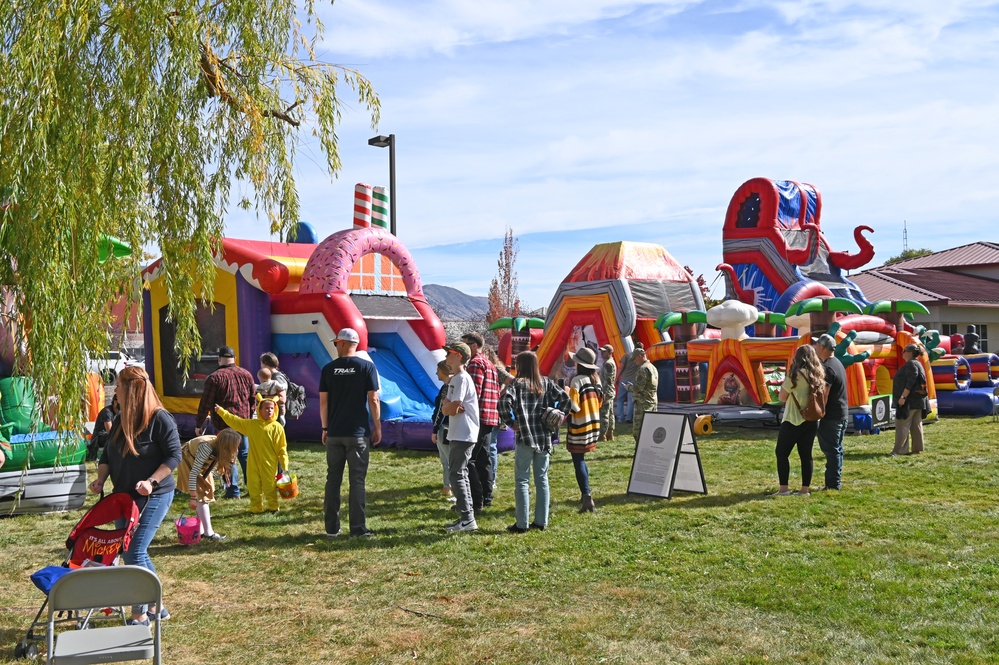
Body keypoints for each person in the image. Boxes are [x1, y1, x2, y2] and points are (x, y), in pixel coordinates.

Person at [89, 365, 181, 626]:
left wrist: (152, 481)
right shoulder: (119, 419)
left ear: (132, 389)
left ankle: (139, 614)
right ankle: (157, 604)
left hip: (154, 495)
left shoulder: (160, 418)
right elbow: (107, 454)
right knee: (132, 552)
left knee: (133, 551)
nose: (115, 390)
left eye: (118, 385)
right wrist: (101, 478)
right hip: (123, 497)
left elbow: (175, 455)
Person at [320, 328, 381, 537]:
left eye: (337, 342)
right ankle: (357, 529)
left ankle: (331, 529)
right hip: (357, 434)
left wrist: (325, 428)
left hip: (335, 433)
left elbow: (323, 402)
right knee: (357, 481)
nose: (335, 345)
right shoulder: (367, 367)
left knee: (333, 480)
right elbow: (373, 399)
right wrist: (377, 426)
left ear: (344, 343)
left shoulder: (328, 369)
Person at [499, 351, 569, 532]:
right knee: (542, 479)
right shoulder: (545, 382)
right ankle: (541, 522)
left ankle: (521, 524)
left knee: (522, 480)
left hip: (525, 437)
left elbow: (503, 402)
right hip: (544, 437)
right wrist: (555, 415)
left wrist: (511, 422)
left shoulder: (517, 384)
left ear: (520, 365)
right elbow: (566, 400)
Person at [195, 346, 255, 498]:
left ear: (219, 359)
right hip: (243, 422)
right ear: (235, 359)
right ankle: (253, 486)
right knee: (245, 455)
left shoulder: (214, 377)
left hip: (224, 425)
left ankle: (233, 490)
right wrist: (249, 415)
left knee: (227, 457)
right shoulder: (246, 374)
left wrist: (199, 423)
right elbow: (252, 399)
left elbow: (205, 403)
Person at [215, 395, 289, 514]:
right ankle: (256, 508)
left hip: (269, 463)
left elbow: (282, 448)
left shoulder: (277, 428)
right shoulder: (252, 425)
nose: (269, 410)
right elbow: (235, 421)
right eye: (266, 408)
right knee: (253, 486)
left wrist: (284, 466)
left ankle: (273, 507)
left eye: (271, 408)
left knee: (269, 486)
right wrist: (221, 412)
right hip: (253, 462)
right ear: (259, 410)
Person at [441, 341, 480, 533]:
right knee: (458, 474)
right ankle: (466, 517)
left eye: (448, 353)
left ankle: (468, 518)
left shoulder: (460, 379)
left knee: (456, 474)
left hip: (464, 433)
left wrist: (448, 408)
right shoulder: (456, 378)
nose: (446, 357)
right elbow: (447, 405)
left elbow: (452, 407)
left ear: (458, 356)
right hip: (460, 432)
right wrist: (448, 407)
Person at [775, 345, 824, 496]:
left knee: (781, 453)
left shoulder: (794, 376)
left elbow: (781, 397)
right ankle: (804, 490)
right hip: (811, 419)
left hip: (792, 419)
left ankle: (784, 489)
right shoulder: (817, 376)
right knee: (806, 455)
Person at [175, 428, 242, 540]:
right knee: (202, 497)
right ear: (226, 445)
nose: (236, 448)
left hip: (201, 462)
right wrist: (192, 497)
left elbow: (214, 467)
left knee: (206, 493)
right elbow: (193, 474)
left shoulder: (220, 448)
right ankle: (208, 533)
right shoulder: (206, 448)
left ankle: (200, 530)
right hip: (187, 459)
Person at [461, 332, 499, 511]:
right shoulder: (489, 363)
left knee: (472, 459)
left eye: (466, 344)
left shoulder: (475, 364)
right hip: (490, 415)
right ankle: (487, 496)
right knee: (484, 459)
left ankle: (477, 499)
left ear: (474, 346)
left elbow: (473, 393)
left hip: (478, 417)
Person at [566, 347, 603, 513]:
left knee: (578, 460)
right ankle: (585, 493)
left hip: (580, 425)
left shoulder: (577, 381)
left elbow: (573, 407)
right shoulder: (595, 380)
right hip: (593, 424)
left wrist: (565, 396)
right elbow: (600, 402)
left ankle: (587, 496)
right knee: (581, 459)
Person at [812, 334, 849, 490]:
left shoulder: (827, 368)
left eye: (816, 345)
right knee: (837, 449)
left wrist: (819, 413)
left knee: (832, 450)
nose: (814, 348)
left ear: (821, 347)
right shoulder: (838, 363)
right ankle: (835, 482)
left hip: (832, 416)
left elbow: (824, 395)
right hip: (842, 413)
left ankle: (833, 484)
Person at [484, 345, 513, 486]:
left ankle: (492, 478)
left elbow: (511, 380)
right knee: (489, 445)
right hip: (491, 409)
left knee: (491, 445)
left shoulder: (495, 368)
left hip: (495, 410)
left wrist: (500, 394)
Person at [892, 344, 928, 456]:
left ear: (910, 353)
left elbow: (911, 381)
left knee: (902, 424)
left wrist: (903, 397)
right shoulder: (918, 363)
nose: (902, 353)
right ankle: (917, 448)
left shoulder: (911, 364)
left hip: (909, 401)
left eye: (904, 351)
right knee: (916, 425)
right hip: (918, 401)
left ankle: (899, 450)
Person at [430, 359, 454, 501]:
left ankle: (450, 486)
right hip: (446, 426)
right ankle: (447, 486)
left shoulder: (447, 388)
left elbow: (440, 410)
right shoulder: (447, 386)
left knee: (448, 459)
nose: (436, 373)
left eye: (438, 371)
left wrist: (435, 428)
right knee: (446, 459)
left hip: (444, 427)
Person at [628, 347, 659, 442]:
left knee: (639, 431)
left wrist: (629, 387)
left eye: (634, 358)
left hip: (643, 404)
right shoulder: (652, 367)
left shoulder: (642, 369)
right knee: (651, 428)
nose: (634, 361)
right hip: (652, 402)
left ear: (640, 356)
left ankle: (641, 451)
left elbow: (638, 388)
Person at [616, 342, 644, 423]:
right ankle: (629, 418)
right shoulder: (640, 358)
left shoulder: (627, 356)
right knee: (631, 400)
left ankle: (620, 418)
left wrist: (617, 377)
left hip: (624, 379)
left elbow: (621, 367)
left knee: (620, 399)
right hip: (634, 381)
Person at [259, 352, 290, 423]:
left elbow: (282, 399)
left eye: (261, 363)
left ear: (265, 363)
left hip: (277, 415)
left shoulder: (277, 377)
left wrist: (264, 397)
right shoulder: (272, 377)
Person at [87, 393, 119, 461]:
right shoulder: (107, 412)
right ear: (115, 402)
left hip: (108, 437)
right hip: (100, 438)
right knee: (117, 439)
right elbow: (110, 432)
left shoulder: (119, 412)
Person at [598, 344, 616, 441]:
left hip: (606, 391)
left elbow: (608, 380)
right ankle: (610, 433)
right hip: (610, 391)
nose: (602, 353)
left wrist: (603, 393)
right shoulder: (609, 362)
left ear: (610, 352)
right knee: (610, 413)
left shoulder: (608, 364)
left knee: (604, 414)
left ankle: (602, 434)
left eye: (604, 351)